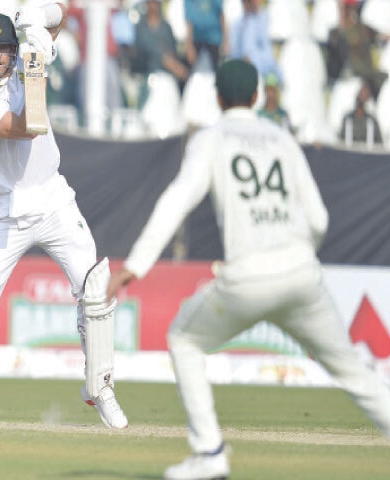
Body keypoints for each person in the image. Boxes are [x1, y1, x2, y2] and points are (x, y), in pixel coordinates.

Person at [106, 59, 390, 479]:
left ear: (218, 98)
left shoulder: (211, 138)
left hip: (248, 277)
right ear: (257, 96)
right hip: (302, 275)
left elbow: (178, 199)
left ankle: (209, 452)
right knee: (353, 371)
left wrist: (136, 264)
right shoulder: (282, 139)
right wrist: (297, 254)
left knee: (184, 338)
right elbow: (319, 218)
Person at [0, 6, 127, 429]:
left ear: (12, 51)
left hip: (55, 200)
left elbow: (60, 17)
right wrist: (36, 66)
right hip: (10, 210)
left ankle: (101, 388)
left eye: (3, 49)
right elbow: (27, 126)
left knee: (95, 288)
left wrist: (38, 24)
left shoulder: (27, 60)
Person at [339, 78, 384, 146]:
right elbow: (340, 144)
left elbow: (380, 146)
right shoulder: (348, 119)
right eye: (362, 91)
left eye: (366, 92)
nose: (363, 94)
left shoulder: (372, 121)